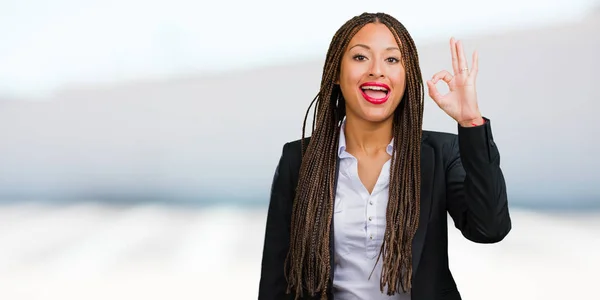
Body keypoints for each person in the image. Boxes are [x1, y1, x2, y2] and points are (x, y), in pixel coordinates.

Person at [258, 12, 511, 300]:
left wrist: (471, 123)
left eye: (392, 59)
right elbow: (276, 280)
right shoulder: (299, 159)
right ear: (337, 74)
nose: (377, 70)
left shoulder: (441, 154)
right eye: (360, 57)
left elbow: (490, 228)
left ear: (407, 76)